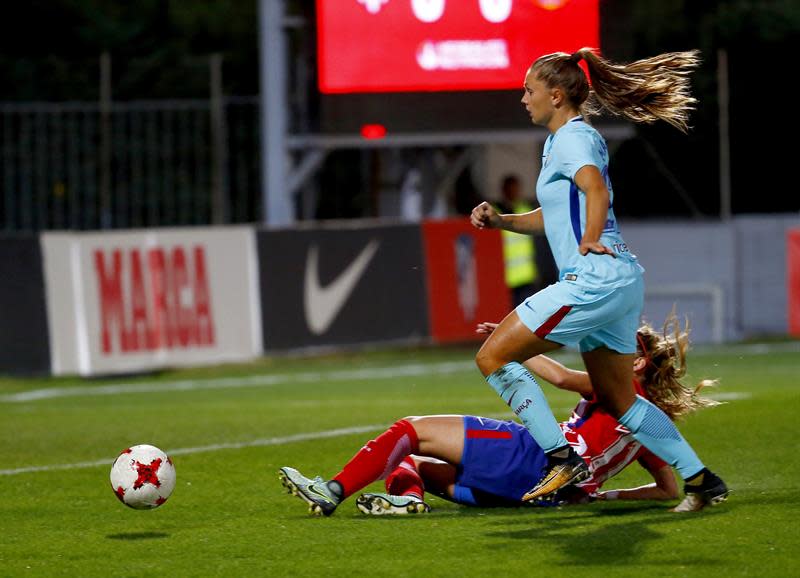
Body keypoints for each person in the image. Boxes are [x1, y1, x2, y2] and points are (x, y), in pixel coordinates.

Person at [469, 47, 728, 507]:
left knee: (492, 358)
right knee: (619, 399)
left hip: (592, 279)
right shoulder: (561, 142)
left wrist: (589, 237)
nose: (523, 98)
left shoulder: (573, 139)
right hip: (617, 283)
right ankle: (700, 479)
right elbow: (552, 215)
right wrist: (503, 222)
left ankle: (560, 459)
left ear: (555, 94)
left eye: (529, 90)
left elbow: (596, 188)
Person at [279, 314, 722, 516]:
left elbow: (564, 379)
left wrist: (510, 346)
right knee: (410, 465)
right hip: (542, 495)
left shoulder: (620, 388)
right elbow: (666, 489)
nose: (609, 351)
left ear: (638, 362)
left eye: (621, 346)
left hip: (534, 458)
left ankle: (331, 490)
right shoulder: (646, 420)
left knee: (410, 430)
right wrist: (602, 497)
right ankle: (410, 501)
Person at [495, 175, 541, 307]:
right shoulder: (496, 213)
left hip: (526, 275)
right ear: (503, 190)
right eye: (510, 189)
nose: (514, 192)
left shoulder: (525, 210)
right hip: (503, 277)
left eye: (516, 189)